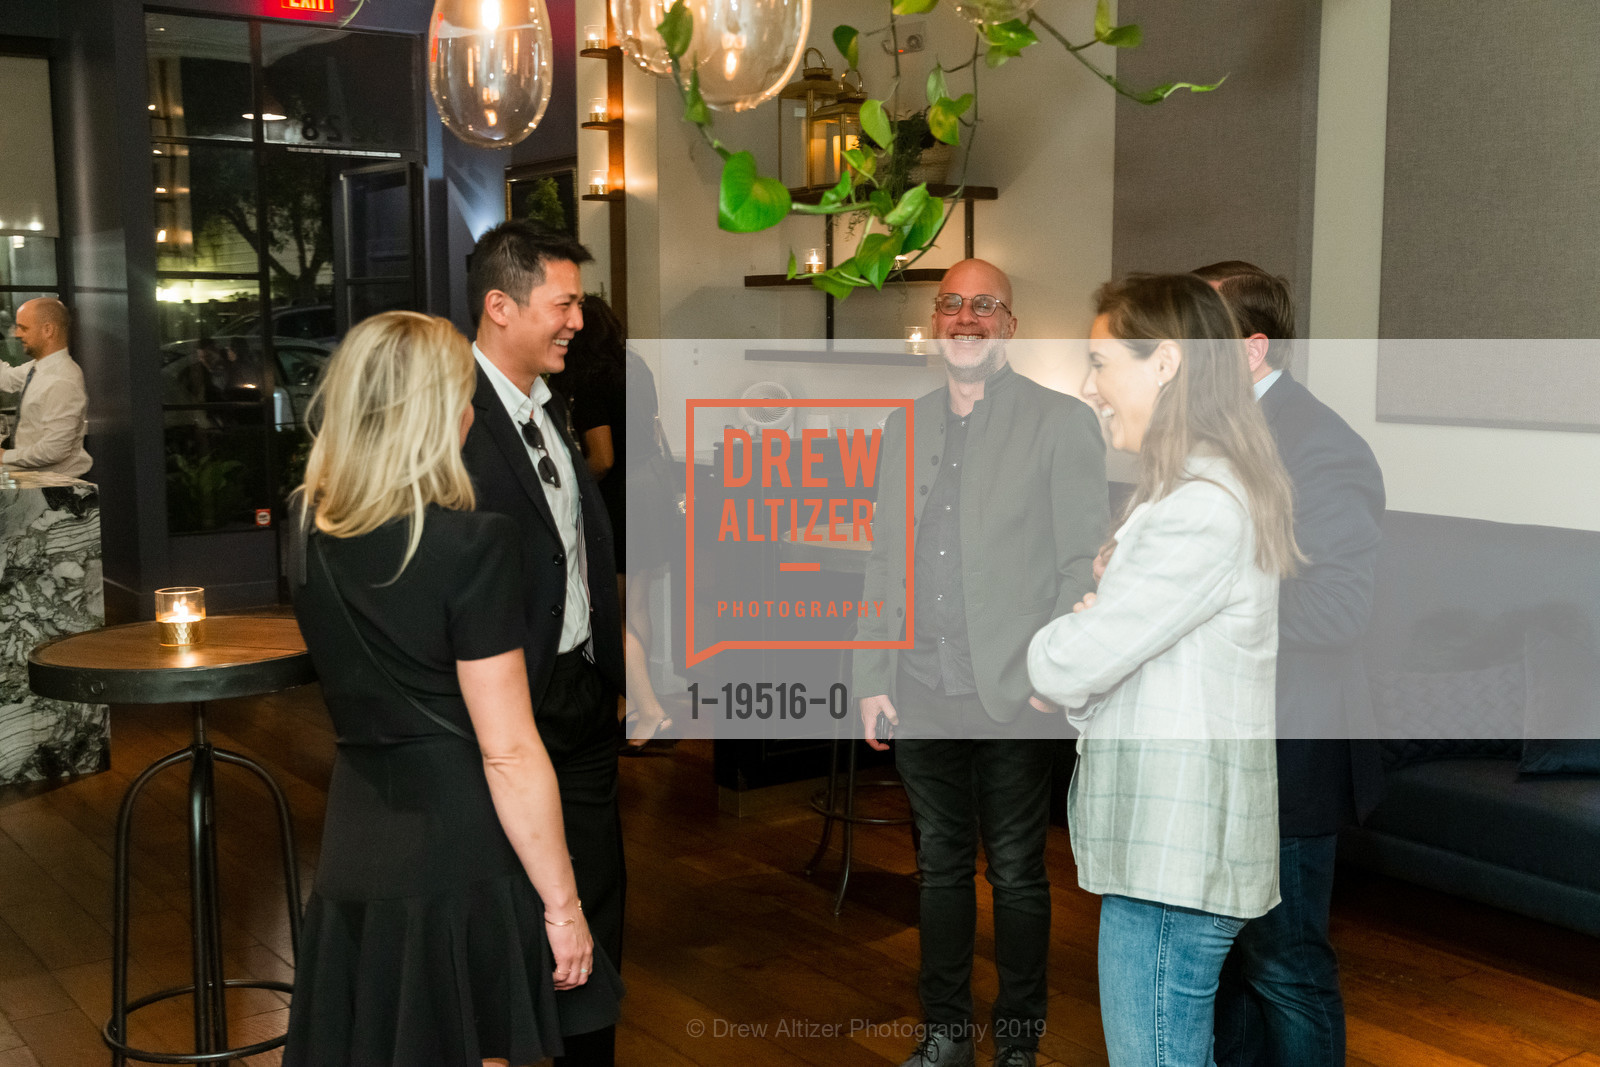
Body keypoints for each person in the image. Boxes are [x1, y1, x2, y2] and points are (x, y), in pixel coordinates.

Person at [284, 311, 622, 1066]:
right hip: (461, 847)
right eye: (465, 393)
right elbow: (507, 751)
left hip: (354, 838)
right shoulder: (472, 545)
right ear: (439, 413)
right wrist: (565, 908)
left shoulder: (305, 521)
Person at [1027, 273, 1301, 1067]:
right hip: (1169, 846)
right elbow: (1116, 666)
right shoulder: (1189, 493)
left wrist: (1058, 648)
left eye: (1101, 362)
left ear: (1167, 363)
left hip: (1176, 851)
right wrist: (1085, 646)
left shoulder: (1201, 507)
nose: (1089, 386)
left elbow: (1080, 657)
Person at [855, 259, 1109, 1067]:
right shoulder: (905, 424)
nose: (965, 319)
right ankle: (945, 1033)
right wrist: (870, 677)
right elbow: (881, 559)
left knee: (1018, 871)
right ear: (937, 319)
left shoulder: (1063, 423)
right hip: (921, 685)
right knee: (937, 867)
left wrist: (1051, 680)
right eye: (952, 305)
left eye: (984, 306)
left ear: (1011, 323)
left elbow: (1083, 570)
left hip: (1014, 693)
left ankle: (1020, 1042)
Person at [1192, 261, 1386, 1067]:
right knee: (1234, 965)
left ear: (1251, 349)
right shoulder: (1215, 437)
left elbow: (1339, 611)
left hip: (1289, 754)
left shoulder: (1323, 447)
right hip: (1227, 746)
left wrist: (1205, 598)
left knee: (1286, 968)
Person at [461, 221, 627, 1067]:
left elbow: (577, 540)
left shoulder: (548, 403)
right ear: (501, 306)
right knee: (519, 905)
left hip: (581, 696)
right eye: (562, 304)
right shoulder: (451, 416)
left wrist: (620, 660)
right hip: (503, 708)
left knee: (596, 895)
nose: (576, 321)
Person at [548, 295, 674, 745]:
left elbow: (601, 458)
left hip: (620, 497)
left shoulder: (592, 380)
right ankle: (636, 702)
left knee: (611, 612)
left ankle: (651, 712)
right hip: (652, 490)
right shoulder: (634, 367)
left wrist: (569, 476)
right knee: (637, 606)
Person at [1, 297, 91, 477]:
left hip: (56, 492)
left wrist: (4, 456)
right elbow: (6, 378)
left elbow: (54, 450)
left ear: (48, 330)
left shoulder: (62, 380)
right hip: (38, 484)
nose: (17, 334)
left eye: (23, 328)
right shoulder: (36, 369)